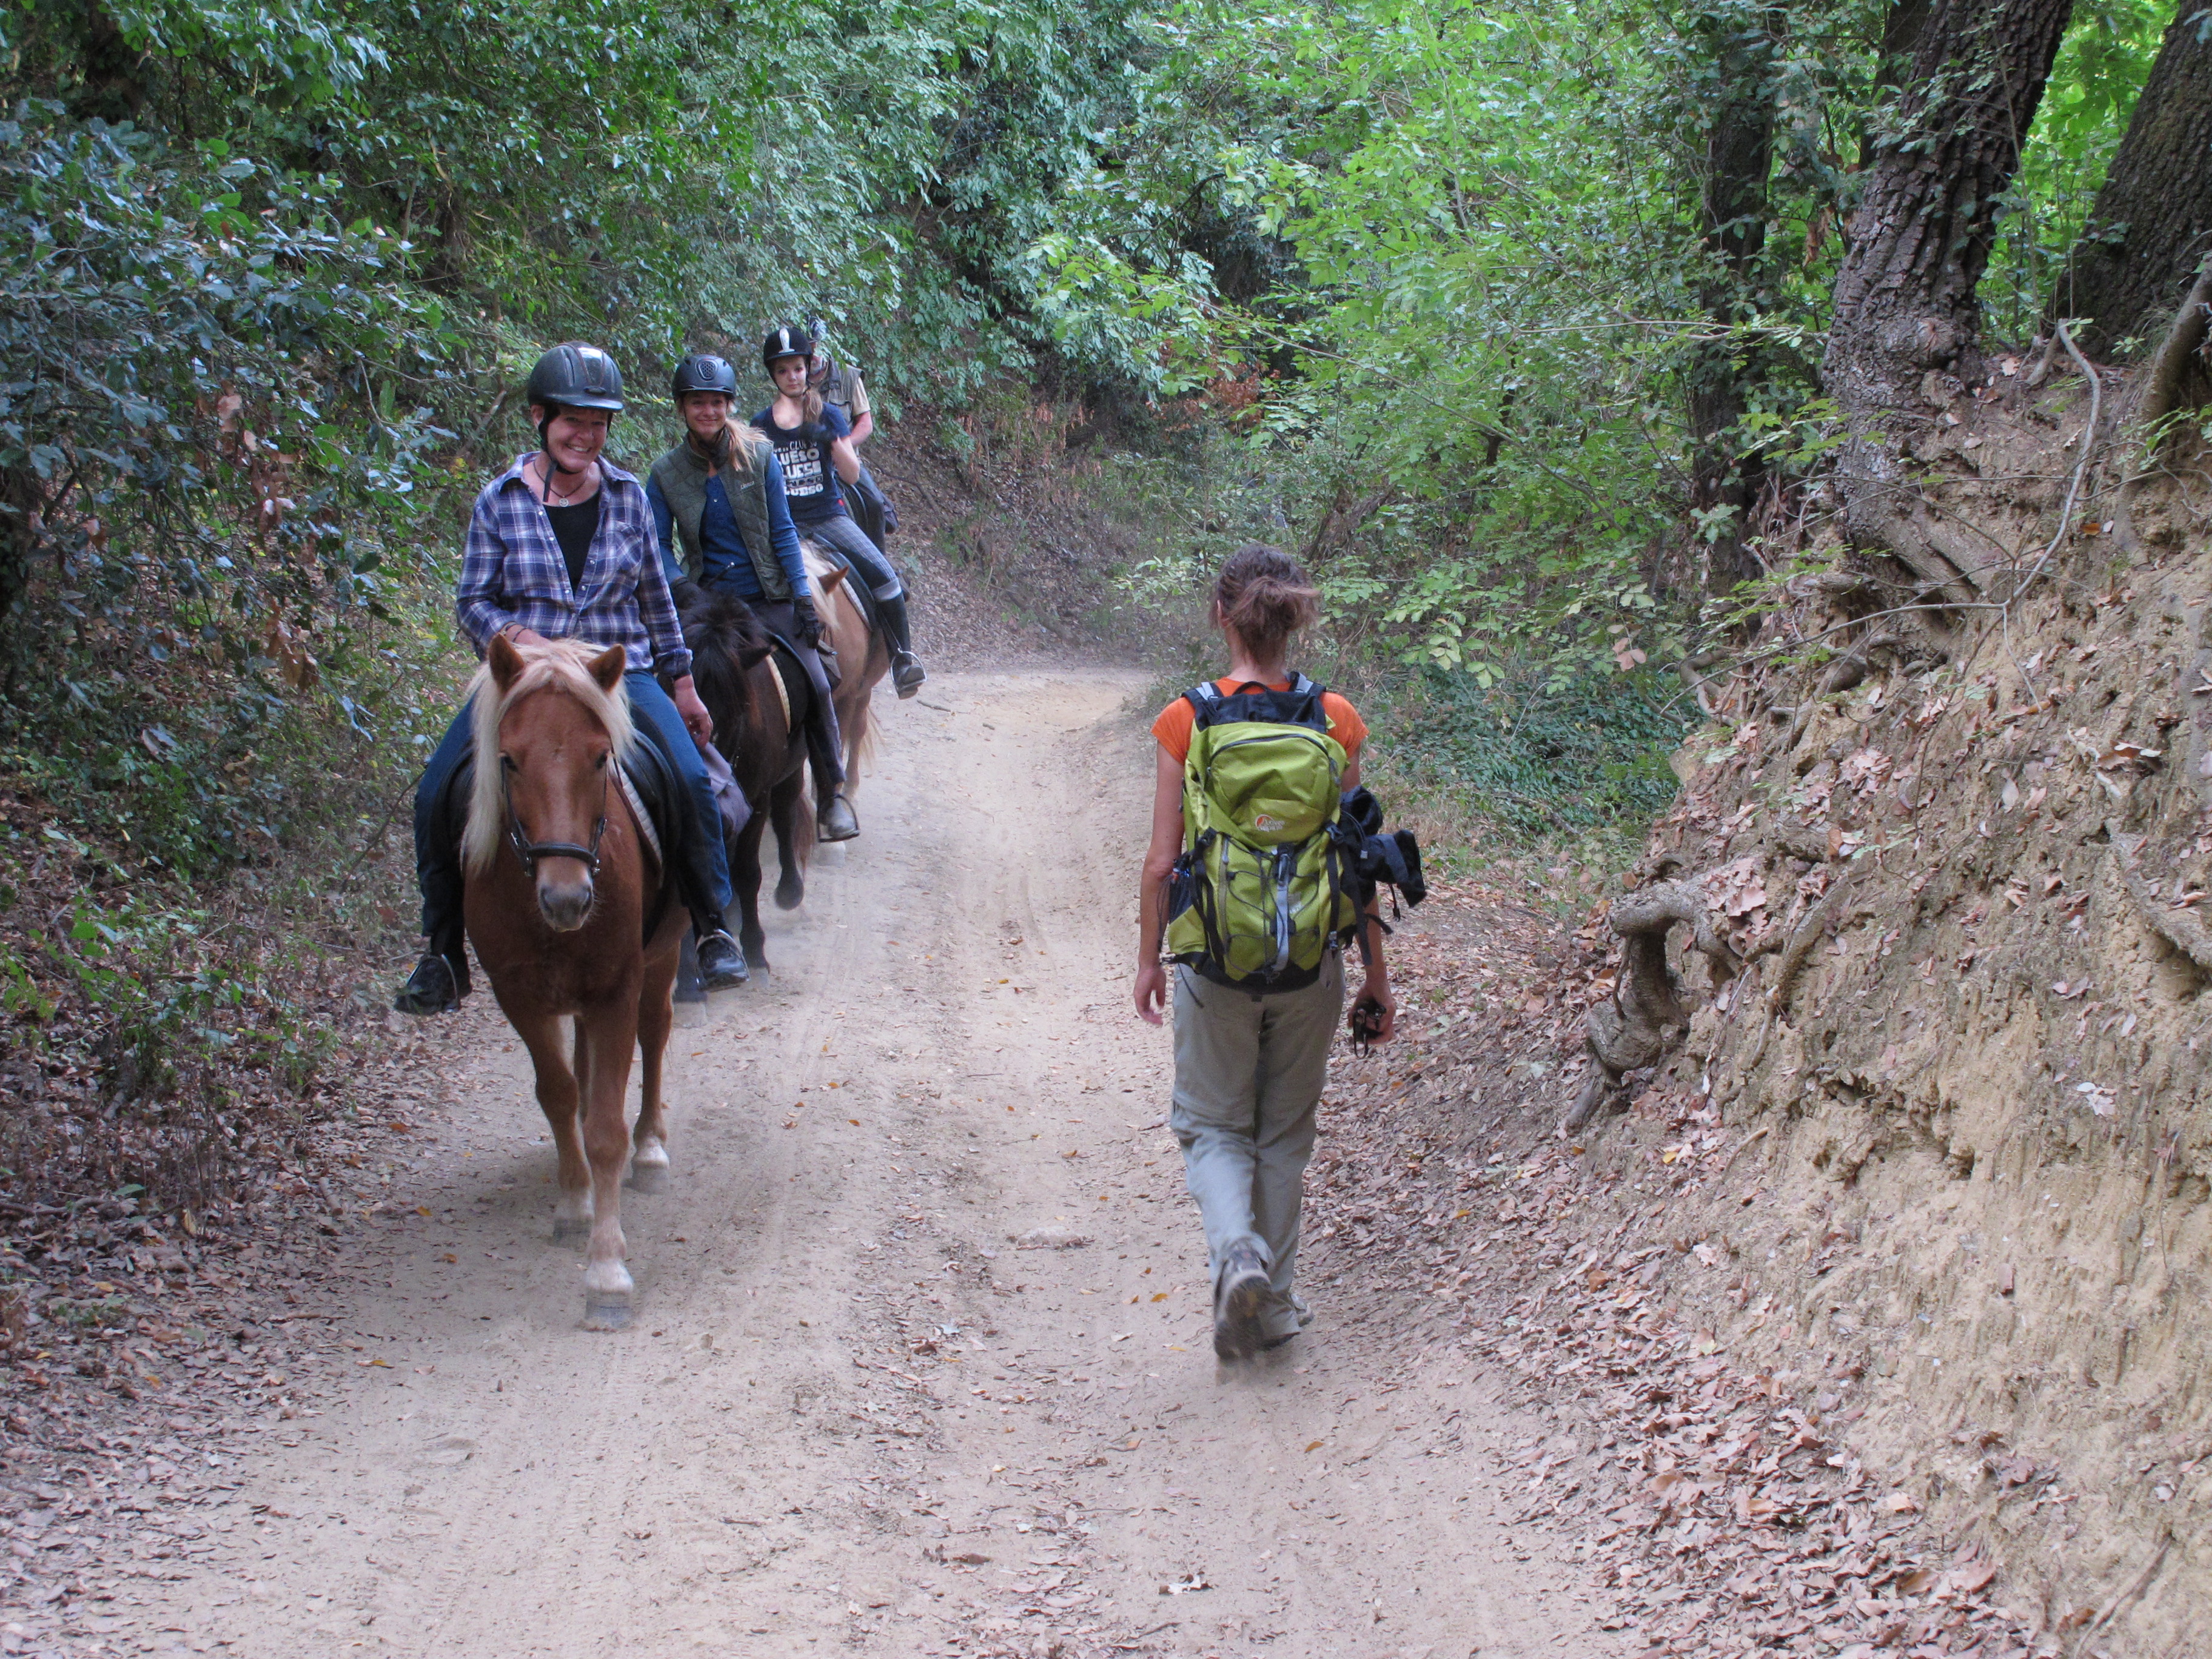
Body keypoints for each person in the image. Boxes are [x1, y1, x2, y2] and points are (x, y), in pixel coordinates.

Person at [393, 341, 750, 1016]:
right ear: (540, 418)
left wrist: (680, 682)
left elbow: (654, 596)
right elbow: (473, 601)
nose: (585, 435)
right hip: (522, 676)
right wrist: (528, 646)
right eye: (572, 421)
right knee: (438, 789)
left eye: (597, 423)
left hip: (617, 673)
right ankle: (441, 951)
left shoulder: (626, 497)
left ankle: (710, 925)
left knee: (690, 778)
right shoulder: (499, 500)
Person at [1133, 544, 1399, 1360]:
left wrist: (1148, 961)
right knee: (1283, 1135)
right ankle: (1274, 1307)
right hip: (1310, 962)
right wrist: (1375, 977)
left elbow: (1158, 860)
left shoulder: (1187, 719)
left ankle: (1234, 1255)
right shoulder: (1336, 719)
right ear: (1293, 622)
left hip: (1215, 958)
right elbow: (1361, 858)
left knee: (1212, 1127)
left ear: (1222, 616)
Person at [648, 352, 860, 843]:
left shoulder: (760, 457)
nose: (708, 412)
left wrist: (803, 601)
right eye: (698, 403)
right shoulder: (665, 474)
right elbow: (655, 542)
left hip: (765, 596)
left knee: (817, 676)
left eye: (716, 403)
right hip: (705, 603)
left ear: (728, 406)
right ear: (682, 408)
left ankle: (830, 793)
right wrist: (679, 585)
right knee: (663, 679)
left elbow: (783, 531)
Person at [753, 324, 925, 697]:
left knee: (884, 575)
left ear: (807, 367)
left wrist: (831, 440)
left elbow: (851, 473)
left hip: (828, 517)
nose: (792, 376)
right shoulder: (761, 425)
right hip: (784, 525)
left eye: (797, 368)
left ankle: (903, 659)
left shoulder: (829, 414)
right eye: (783, 371)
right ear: (774, 377)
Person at [808, 336, 897, 551]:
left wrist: (843, 449)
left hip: (845, 461)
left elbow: (865, 424)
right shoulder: (793, 380)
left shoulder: (849, 376)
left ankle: (880, 560)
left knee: (874, 503)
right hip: (807, 464)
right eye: (809, 349)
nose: (814, 354)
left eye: (817, 347)